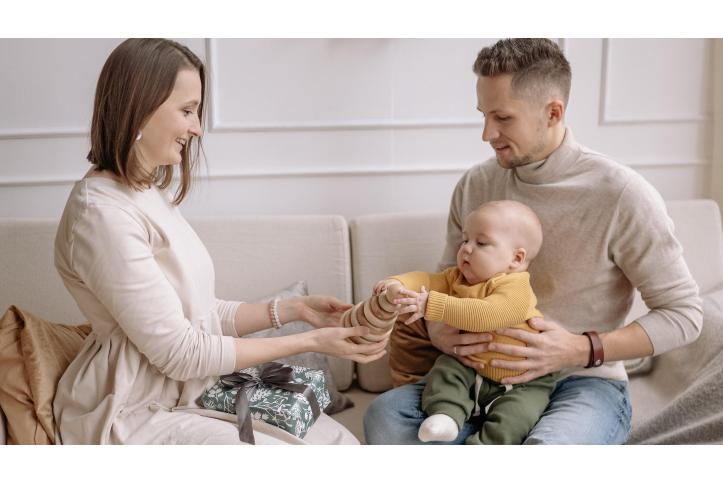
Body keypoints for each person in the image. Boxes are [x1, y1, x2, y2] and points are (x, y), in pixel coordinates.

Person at [364, 38, 703, 445]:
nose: (487, 133)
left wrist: (580, 349)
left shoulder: (621, 194)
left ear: (553, 112)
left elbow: (684, 315)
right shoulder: (477, 184)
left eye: (502, 117)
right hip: (474, 374)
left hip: (581, 383)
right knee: (385, 418)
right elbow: (447, 278)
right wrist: (437, 328)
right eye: (484, 115)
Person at [52, 38, 386, 445]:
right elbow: (182, 352)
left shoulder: (144, 192)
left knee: (338, 444)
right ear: (140, 106)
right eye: (187, 110)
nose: (195, 128)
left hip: (190, 392)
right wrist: (314, 341)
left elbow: (201, 314)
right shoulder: (100, 215)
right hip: (135, 411)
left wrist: (296, 310)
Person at [375, 200, 556, 444]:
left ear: (516, 258)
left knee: (515, 419)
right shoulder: (457, 277)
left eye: (481, 243)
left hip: (523, 382)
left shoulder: (517, 288)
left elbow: (487, 315)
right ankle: (446, 417)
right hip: (471, 368)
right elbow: (425, 279)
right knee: (446, 371)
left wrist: (430, 305)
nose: (467, 249)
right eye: (465, 240)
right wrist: (396, 284)